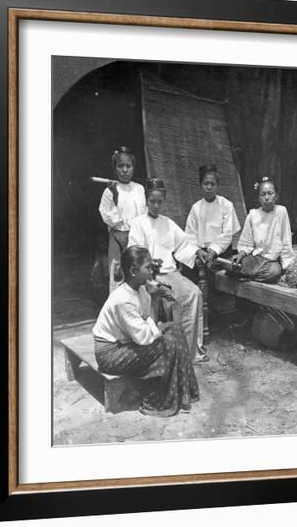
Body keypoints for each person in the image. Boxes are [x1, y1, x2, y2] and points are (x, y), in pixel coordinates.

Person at [92, 246, 199, 417]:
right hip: (110, 354)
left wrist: (154, 296)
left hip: (127, 343)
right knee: (167, 342)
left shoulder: (140, 289)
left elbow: (148, 324)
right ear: (134, 270)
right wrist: (155, 298)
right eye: (148, 268)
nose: (152, 272)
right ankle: (156, 401)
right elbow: (146, 337)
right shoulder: (123, 300)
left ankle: (184, 392)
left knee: (175, 330)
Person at [128, 178, 207, 362]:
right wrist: (147, 262)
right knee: (157, 296)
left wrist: (197, 251)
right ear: (146, 201)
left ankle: (188, 351)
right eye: (152, 201)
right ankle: (163, 351)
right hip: (148, 275)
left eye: (159, 202)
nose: (156, 206)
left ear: (164, 201)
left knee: (193, 293)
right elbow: (134, 252)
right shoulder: (138, 223)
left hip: (170, 273)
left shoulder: (168, 223)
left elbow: (184, 243)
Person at [232, 177, 294, 283]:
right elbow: (246, 243)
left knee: (274, 272)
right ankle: (245, 273)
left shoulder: (281, 212)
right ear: (258, 198)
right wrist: (241, 254)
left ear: (276, 196)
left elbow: (286, 241)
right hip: (256, 259)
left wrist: (287, 266)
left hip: (272, 261)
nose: (267, 198)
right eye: (263, 194)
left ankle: (245, 275)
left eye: (270, 193)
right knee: (234, 263)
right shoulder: (253, 215)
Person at [98, 146, 146, 281]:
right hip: (117, 239)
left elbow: (143, 215)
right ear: (115, 168)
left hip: (135, 238)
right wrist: (115, 197)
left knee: (136, 274)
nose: (125, 170)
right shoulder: (110, 191)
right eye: (120, 166)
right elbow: (109, 218)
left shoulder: (139, 189)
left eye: (128, 166)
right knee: (118, 275)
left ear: (133, 167)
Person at [185, 164, 241, 268]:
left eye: (212, 184)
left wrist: (213, 251)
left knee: (223, 268)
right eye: (206, 184)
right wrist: (198, 251)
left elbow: (227, 234)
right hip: (202, 252)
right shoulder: (196, 208)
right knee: (187, 264)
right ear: (201, 185)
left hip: (221, 251)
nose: (209, 187)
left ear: (217, 186)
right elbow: (190, 234)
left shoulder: (226, 205)